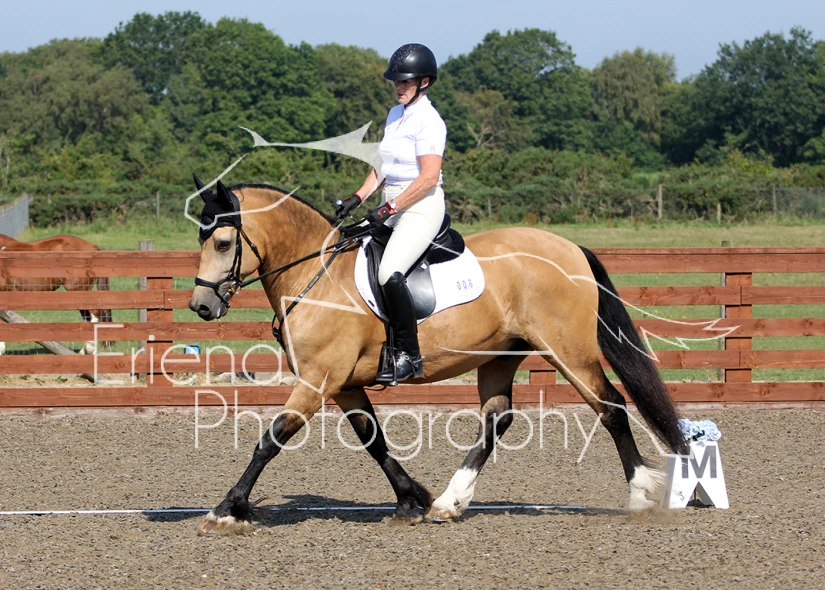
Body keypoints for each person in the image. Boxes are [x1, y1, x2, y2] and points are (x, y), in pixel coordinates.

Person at [335, 43, 447, 383]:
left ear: (424, 82)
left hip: (421, 205)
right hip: (392, 205)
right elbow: (383, 167)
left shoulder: (429, 121)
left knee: (388, 272)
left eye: (405, 81)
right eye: (396, 81)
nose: (398, 86)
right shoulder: (395, 114)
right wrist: (356, 197)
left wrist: (389, 208)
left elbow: (428, 177)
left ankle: (409, 356)